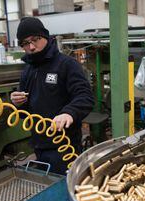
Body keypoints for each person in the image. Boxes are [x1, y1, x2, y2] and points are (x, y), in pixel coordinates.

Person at [11, 17, 94, 175]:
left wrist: (68, 112)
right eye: (25, 43)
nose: (31, 47)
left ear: (46, 37)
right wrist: (18, 102)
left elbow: (85, 96)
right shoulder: (28, 70)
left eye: (35, 40)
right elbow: (27, 109)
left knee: (66, 187)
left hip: (64, 144)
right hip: (39, 145)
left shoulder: (66, 64)